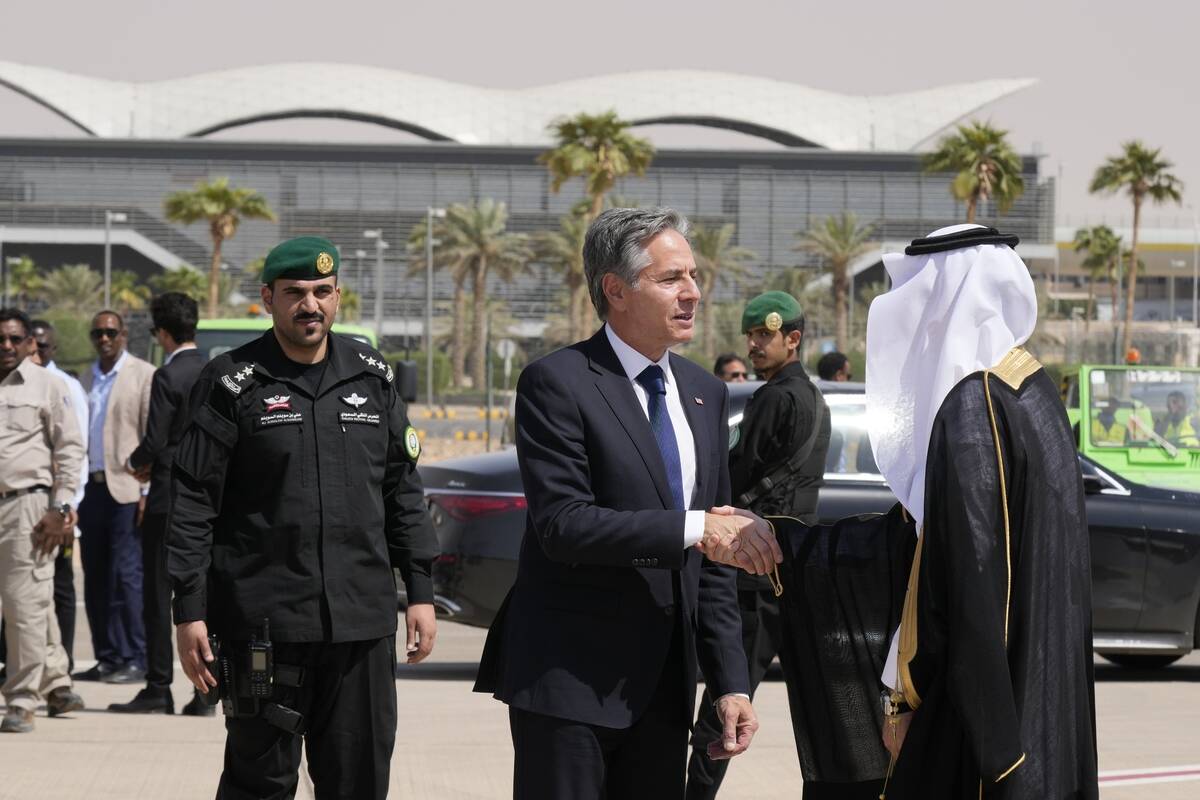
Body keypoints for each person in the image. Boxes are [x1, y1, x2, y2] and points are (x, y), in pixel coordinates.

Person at [475, 207, 780, 800]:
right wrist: (694, 529)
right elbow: (564, 525)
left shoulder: (705, 393)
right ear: (615, 289)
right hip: (569, 684)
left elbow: (712, 559)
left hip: (664, 690)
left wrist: (730, 684)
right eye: (671, 279)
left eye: (693, 276)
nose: (692, 292)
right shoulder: (557, 383)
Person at [168, 236, 438, 799]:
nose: (309, 305)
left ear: (338, 296)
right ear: (268, 298)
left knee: (359, 781)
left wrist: (420, 589)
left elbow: (400, 490)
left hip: (360, 626)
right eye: (294, 293)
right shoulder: (230, 382)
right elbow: (194, 502)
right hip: (264, 626)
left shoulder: (371, 375)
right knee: (258, 785)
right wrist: (189, 610)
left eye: (322, 291)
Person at [866, 225, 1097, 798]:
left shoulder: (973, 409)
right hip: (1038, 715)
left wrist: (907, 699)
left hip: (984, 741)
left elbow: (969, 589)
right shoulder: (1034, 390)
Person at [686, 291, 830, 800]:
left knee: (727, 698)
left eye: (764, 336)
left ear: (793, 338)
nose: (754, 345)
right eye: (751, 335)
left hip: (752, 564)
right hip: (788, 566)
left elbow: (736, 473)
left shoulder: (774, 398)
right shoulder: (812, 396)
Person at [110, 293, 207, 716]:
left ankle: (158, 686)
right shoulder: (215, 371)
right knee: (204, 596)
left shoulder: (167, 377)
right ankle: (206, 691)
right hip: (210, 500)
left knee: (157, 595)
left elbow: (155, 439)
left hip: (169, 498)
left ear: (163, 333)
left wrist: (135, 463)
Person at [0, 308, 85, 733]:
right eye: (2, 339)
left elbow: (70, 448)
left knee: (24, 605)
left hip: (28, 507)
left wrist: (61, 507)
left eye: (16, 339)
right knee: (32, 601)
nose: (8, 346)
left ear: (30, 343)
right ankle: (55, 681)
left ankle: (21, 700)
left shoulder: (48, 385)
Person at [74, 311, 154, 685]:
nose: (103, 338)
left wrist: (145, 491)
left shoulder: (142, 373)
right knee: (95, 575)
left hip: (125, 486)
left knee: (126, 575)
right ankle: (107, 656)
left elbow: (150, 435)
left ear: (123, 335)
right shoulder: (87, 376)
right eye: (97, 333)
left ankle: (136, 656)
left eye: (110, 332)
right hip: (90, 488)